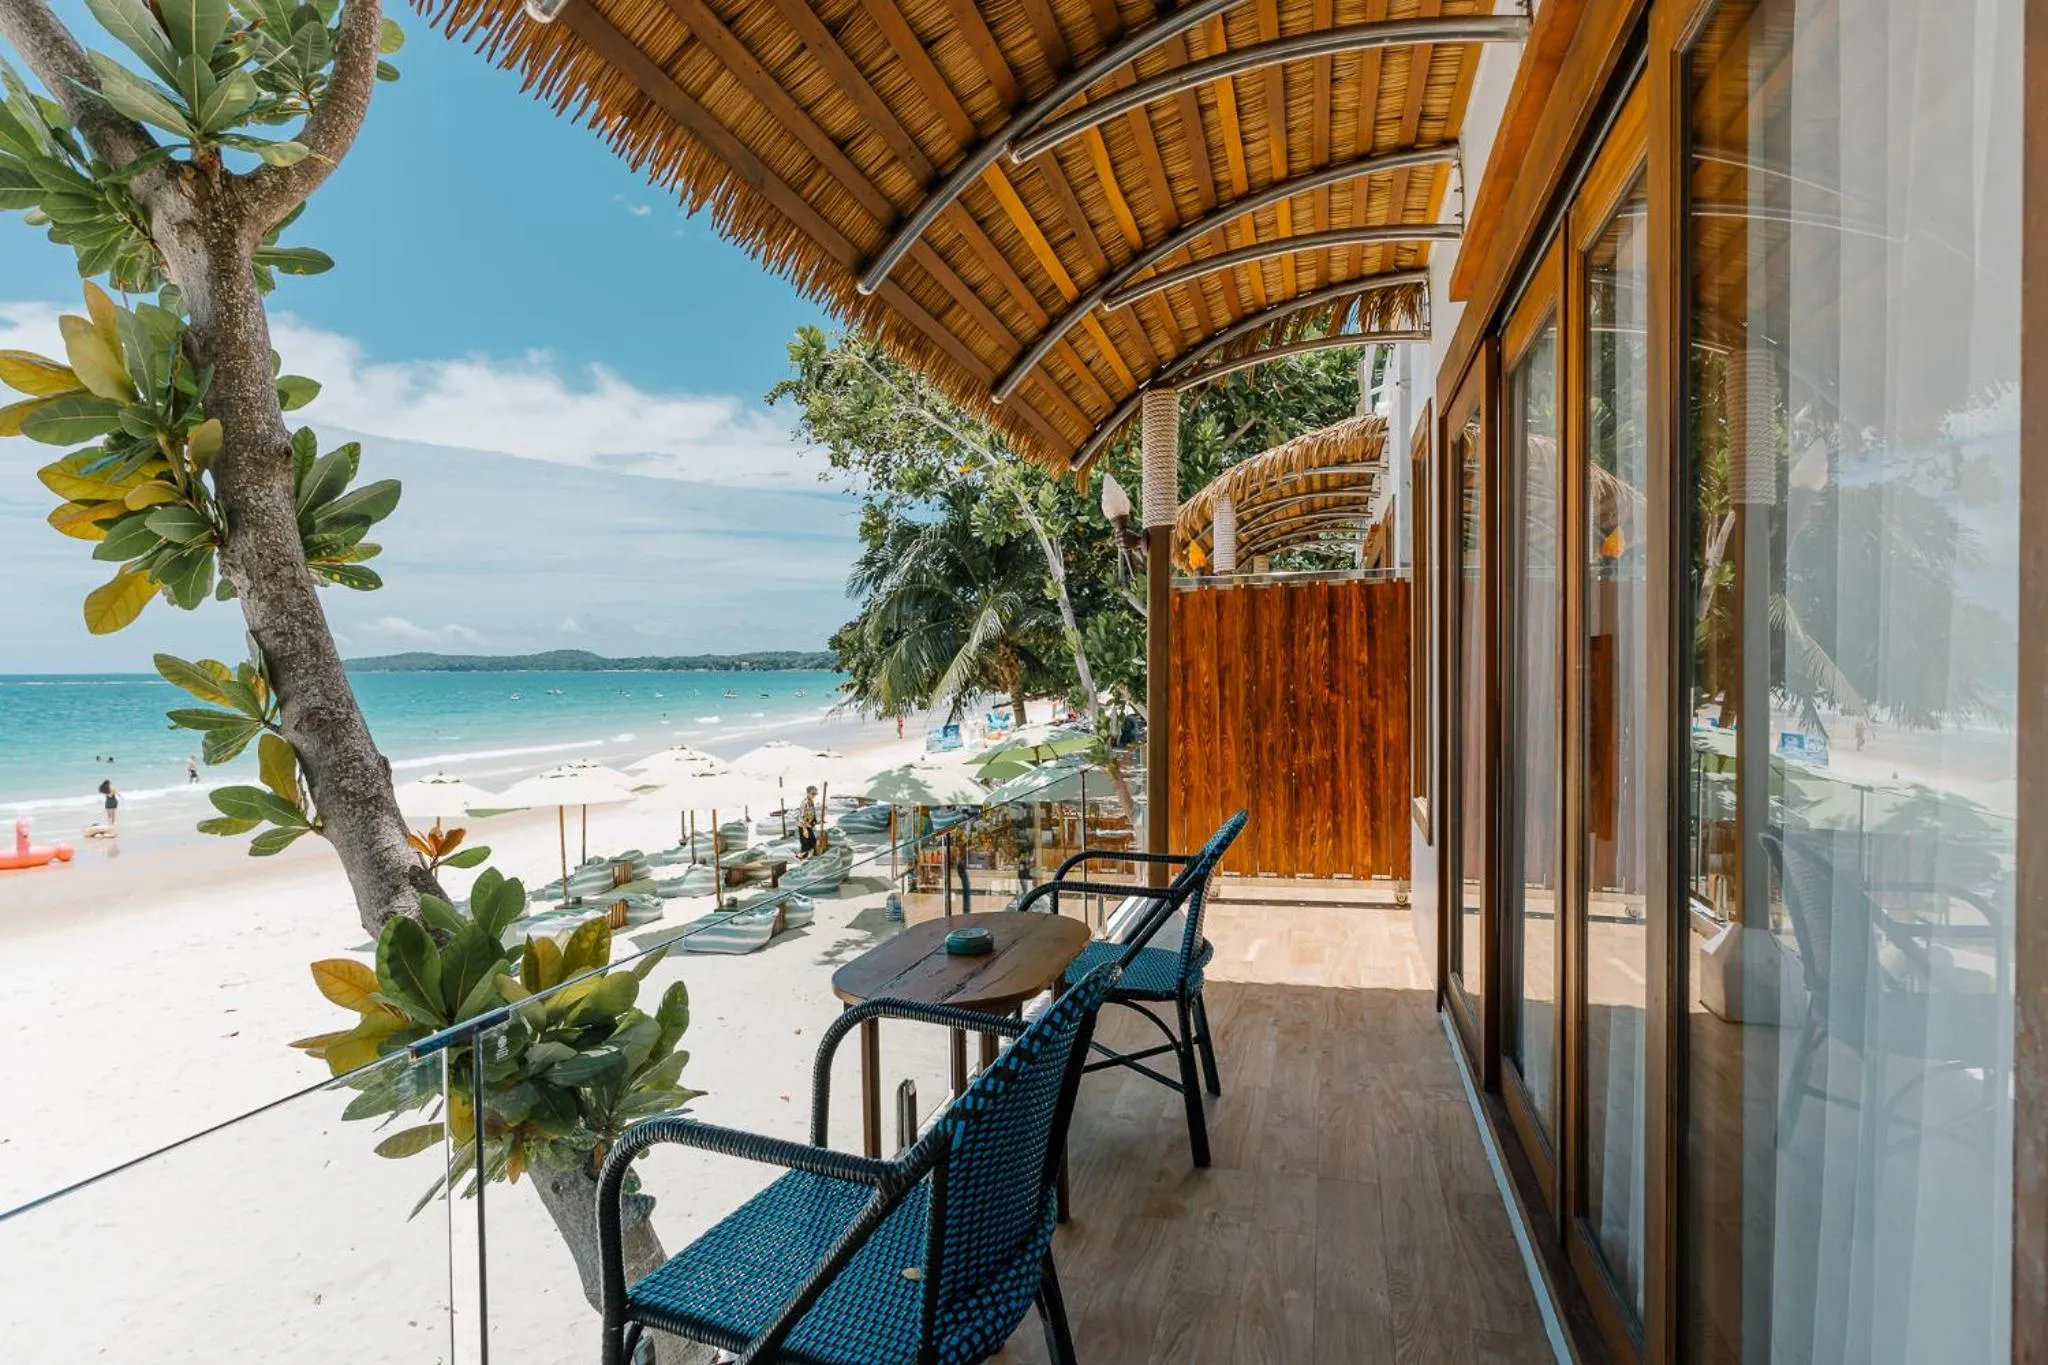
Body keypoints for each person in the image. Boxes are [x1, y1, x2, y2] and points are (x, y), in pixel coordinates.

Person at [796, 785, 819, 858]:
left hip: (808, 825)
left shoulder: (811, 802)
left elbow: (812, 812)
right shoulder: (805, 802)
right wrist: (804, 829)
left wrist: (814, 820)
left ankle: (807, 857)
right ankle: (801, 857)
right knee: (806, 844)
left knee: (812, 842)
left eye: (815, 794)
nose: (814, 795)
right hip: (803, 826)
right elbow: (802, 816)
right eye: (813, 794)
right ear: (808, 793)